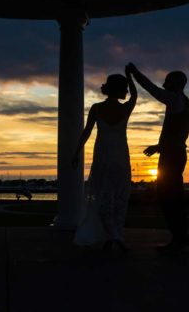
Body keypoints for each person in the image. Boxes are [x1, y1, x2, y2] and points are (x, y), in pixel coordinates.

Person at [126, 62, 189, 253]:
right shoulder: (183, 102)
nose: (164, 84)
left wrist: (134, 72)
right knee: (171, 197)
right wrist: (159, 146)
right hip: (174, 153)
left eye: (167, 81)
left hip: (172, 156)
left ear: (175, 84)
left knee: (169, 197)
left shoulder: (175, 100)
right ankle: (180, 237)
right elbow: (176, 134)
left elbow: (151, 89)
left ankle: (180, 238)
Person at [71, 70, 137, 251]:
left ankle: (113, 236)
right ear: (119, 89)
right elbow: (136, 95)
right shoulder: (124, 109)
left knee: (104, 197)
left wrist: (77, 152)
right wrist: (130, 77)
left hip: (103, 156)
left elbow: (86, 132)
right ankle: (116, 235)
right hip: (120, 157)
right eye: (124, 88)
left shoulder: (97, 108)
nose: (127, 91)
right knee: (120, 198)